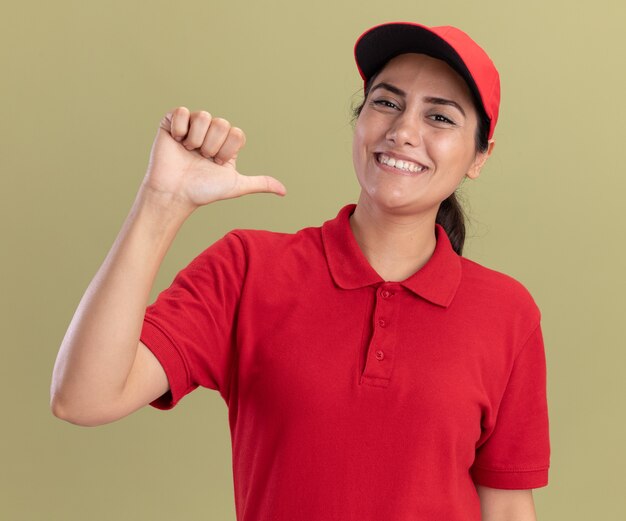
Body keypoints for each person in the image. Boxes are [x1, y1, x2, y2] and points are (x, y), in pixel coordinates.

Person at [51, 21, 550, 521]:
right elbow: (83, 398)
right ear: (359, 120)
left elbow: (506, 506)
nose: (403, 132)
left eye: (440, 117)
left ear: (480, 156)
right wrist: (160, 202)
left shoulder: (507, 313)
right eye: (386, 103)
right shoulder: (248, 270)